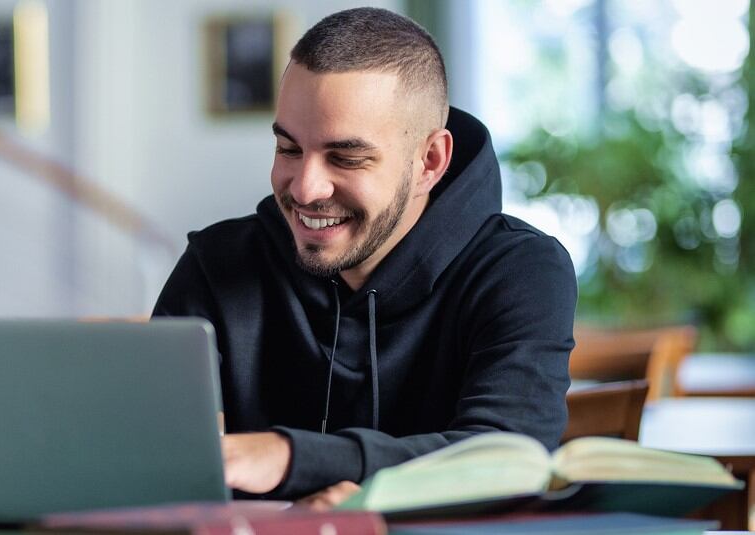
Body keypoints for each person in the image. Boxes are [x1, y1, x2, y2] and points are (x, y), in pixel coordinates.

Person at [153, 7, 577, 504]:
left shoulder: (520, 272)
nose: (306, 188)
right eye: (289, 149)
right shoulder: (217, 263)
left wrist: (290, 457)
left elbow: (506, 461)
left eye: (346, 158)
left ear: (429, 161)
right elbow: (148, 458)